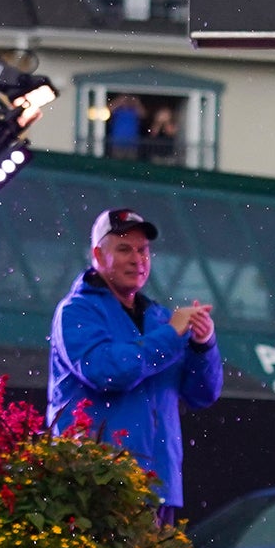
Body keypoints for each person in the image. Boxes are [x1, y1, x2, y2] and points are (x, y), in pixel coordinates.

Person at [47, 207, 223, 525]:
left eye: (143, 250)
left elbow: (203, 394)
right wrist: (172, 334)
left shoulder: (160, 319)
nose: (137, 259)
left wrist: (203, 344)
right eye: (124, 249)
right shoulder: (76, 311)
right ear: (98, 255)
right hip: (94, 485)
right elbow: (108, 372)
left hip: (157, 489)